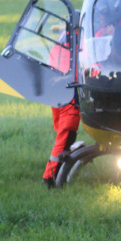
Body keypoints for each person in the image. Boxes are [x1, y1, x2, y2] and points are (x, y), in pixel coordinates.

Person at [42, 32, 80, 188]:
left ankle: (55, 173)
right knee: (65, 137)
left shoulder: (57, 46)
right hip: (69, 98)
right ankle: (49, 179)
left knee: (62, 135)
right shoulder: (79, 45)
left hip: (56, 96)